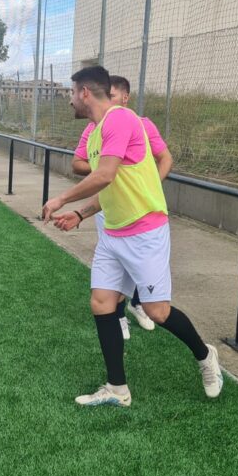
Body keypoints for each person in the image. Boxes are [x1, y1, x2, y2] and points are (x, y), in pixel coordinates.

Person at [42, 65, 222, 406]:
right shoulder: (95, 132)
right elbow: (113, 187)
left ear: (84, 92)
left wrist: (62, 199)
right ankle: (117, 388)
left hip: (145, 232)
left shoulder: (121, 119)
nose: (69, 100)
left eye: (71, 93)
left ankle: (205, 355)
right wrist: (80, 214)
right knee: (102, 303)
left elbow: (106, 175)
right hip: (113, 233)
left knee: (157, 312)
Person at [71, 75, 163, 336]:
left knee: (158, 310)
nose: (107, 101)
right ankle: (119, 316)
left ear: (125, 97)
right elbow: (81, 165)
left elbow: (164, 158)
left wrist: (150, 185)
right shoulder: (93, 129)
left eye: (111, 96)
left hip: (141, 220)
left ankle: (139, 304)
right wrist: (105, 168)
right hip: (109, 213)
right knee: (104, 293)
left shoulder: (134, 121)